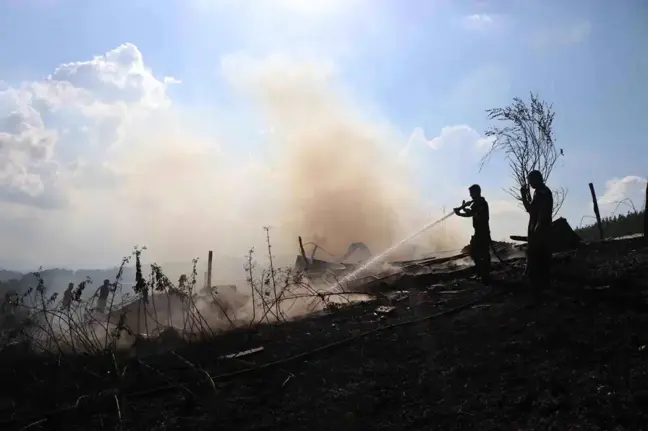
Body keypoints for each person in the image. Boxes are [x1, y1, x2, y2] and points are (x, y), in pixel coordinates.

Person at [521, 170, 553, 289]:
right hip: (539, 230)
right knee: (538, 259)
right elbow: (532, 210)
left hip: (540, 231)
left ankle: (539, 286)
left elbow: (539, 213)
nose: (529, 183)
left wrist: (536, 230)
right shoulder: (539, 192)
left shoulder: (542, 193)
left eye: (530, 180)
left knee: (538, 258)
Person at [454, 184, 491, 283]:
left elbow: (475, 214)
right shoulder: (475, 204)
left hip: (483, 232)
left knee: (483, 254)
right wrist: (461, 211)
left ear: (476, 192)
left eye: (471, 193)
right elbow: (471, 213)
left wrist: (462, 212)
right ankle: (480, 273)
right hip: (478, 232)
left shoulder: (482, 203)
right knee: (474, 252)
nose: (470, 196)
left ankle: (485, 275)